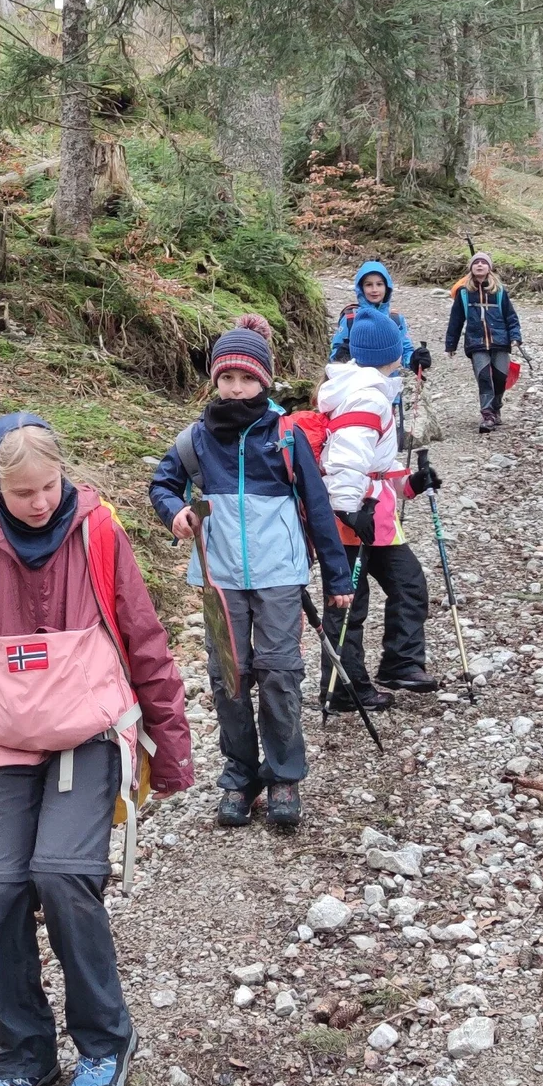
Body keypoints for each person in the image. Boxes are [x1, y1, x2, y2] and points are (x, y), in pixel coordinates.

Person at [0, 414, 192, 1086]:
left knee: (60, 872)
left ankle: (104, 1039)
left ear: (64, 473)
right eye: (21, 490)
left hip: (89, 730)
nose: (37, 501)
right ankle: (24, 1050)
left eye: (48, 485)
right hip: (7, 737)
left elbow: (146, 642)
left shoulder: (99, 534)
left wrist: (171, 747)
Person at [150, 315, 355, 834]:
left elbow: (318, 507)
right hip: (219, 579)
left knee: (281, 673)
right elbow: (162, 485)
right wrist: (174, 511)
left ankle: (284, 774)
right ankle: (241, 775)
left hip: (280, 575)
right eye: (227, 378)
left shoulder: (286, 437)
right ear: (214, 382)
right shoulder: (195, 441)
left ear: (264, 380)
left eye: (247, 378)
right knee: (228, 677)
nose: (237, 388)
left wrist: (338, 580)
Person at [315, 305, 441, 705]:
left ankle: (400, 664)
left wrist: (412, 485)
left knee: (408, 584)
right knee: (348, 604)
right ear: (393, 353)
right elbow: (348, 459)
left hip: (376, 516)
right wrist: (348, 509)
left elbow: (376, 468)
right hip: (354, 518)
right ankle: (345, 689)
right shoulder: (367, 397)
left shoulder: (368, 391)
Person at [444, 251, 522, 432]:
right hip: (476, 342)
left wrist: (516, 337)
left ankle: (496, 407)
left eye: (483, 262)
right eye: (476, 262)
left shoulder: (500, 292)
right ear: (471, 268)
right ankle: (487, 415)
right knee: (484, 377)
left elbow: (511, 317)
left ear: (489, 267)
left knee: (500, 378)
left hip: (500, 341)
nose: (479, 265)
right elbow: (456, 320)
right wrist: (451, 344)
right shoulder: (464, 293)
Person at [330, 258, 430, 373]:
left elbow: (405, 351)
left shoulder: (395, 319)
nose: (374, 289)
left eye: (379, 284)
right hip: (357, 384)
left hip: (388, 385)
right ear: (360, 288)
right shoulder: (350, 319)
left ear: (387, 287)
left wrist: (415, 360)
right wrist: (340, 357)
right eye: (368, 285)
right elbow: (335, 353)